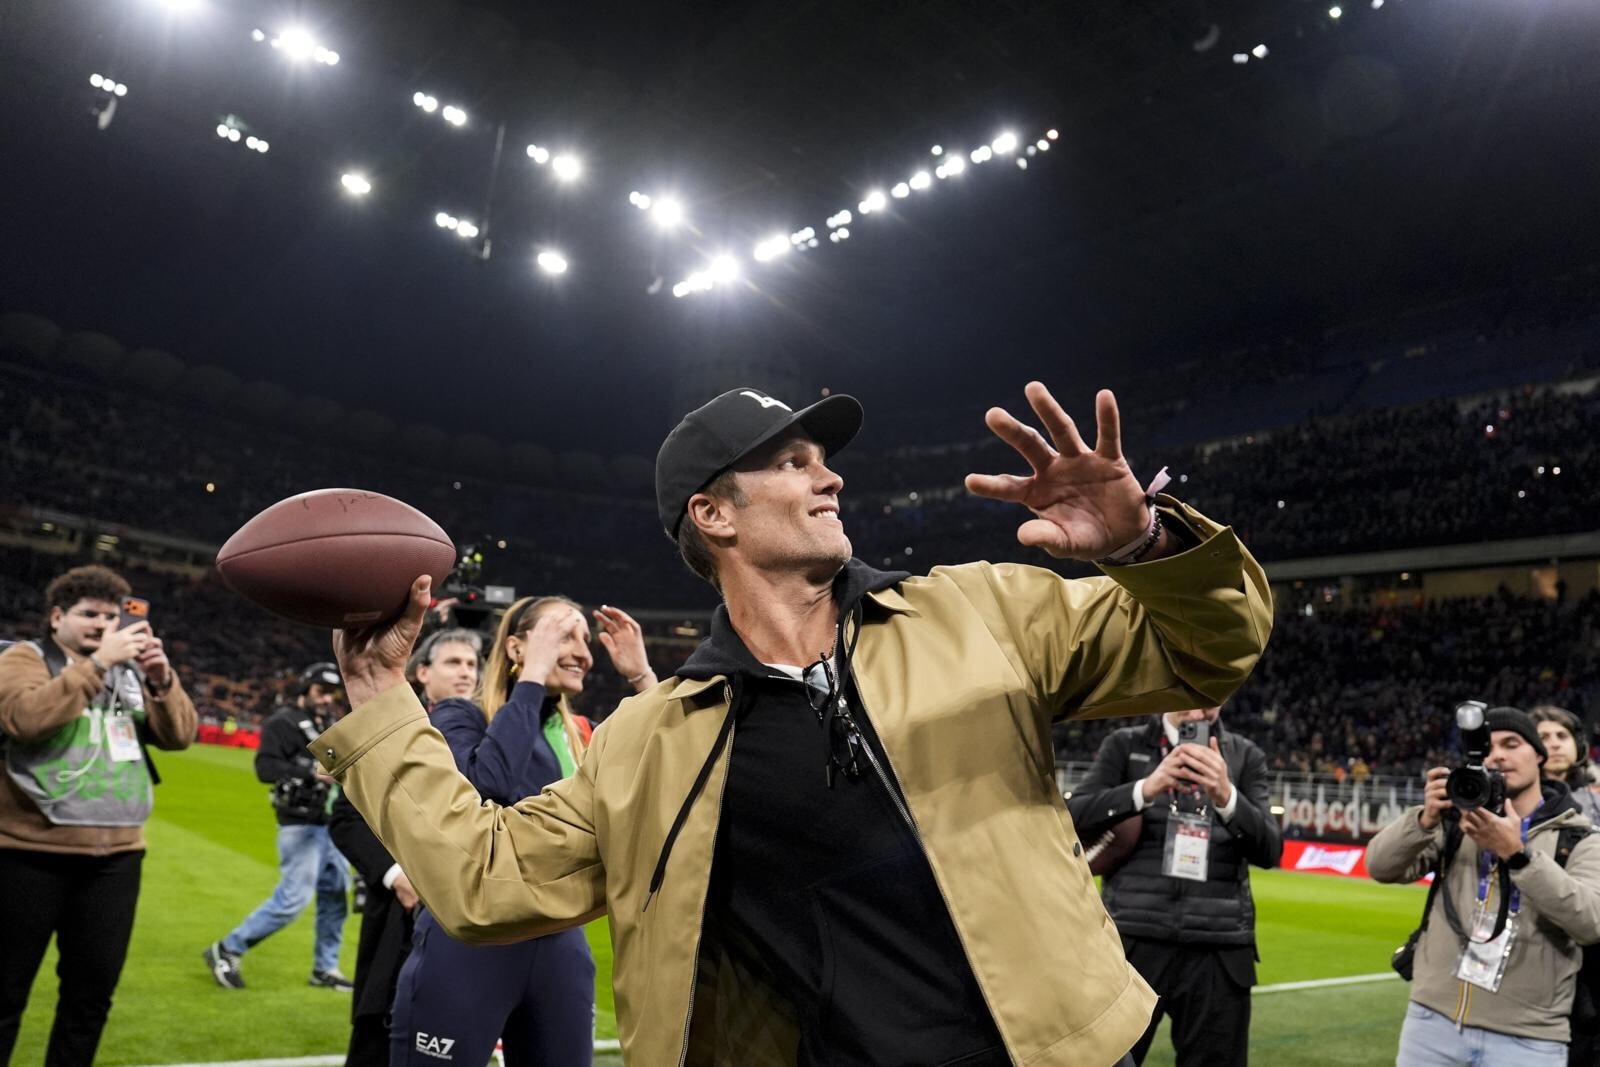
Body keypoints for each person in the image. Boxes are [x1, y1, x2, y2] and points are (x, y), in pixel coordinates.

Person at [318, 383, 1273, 1066]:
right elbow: (483, 880)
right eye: (792, 462)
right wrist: (377, 691)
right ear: (713, 514)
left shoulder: (976, 610)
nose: (831, 480)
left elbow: (1204, 654)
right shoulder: (653, 740)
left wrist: (1145, 545)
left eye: (825, 461)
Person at [389, 599, 654, 1067]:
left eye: (585, 640)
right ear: (515, 647)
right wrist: (531, 675)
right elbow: (486, 785)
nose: (582, 652)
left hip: (561, 941)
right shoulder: (460, 715)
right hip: (471, 938)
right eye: (563, 635)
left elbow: (665, 772)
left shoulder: (581, 734)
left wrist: (642, 679)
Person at [0, 564, 198, 1065]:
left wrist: (162, 679)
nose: (102, 625)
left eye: (111, 617)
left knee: (90, 999)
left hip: (117, 856)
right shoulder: (24, 658)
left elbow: (180, 736)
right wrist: (98, 663)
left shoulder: (130, 672)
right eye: (89, 614)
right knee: (4, 992)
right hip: (29, 851)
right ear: (57, 617)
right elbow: (25, 720)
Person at [1367, 706, 1600, 1066]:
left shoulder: (1579, 836)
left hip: (1528, 1038)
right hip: (1431, 1022)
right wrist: (1424, 819)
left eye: (1512, 744)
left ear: (1539, 755)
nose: (1498, 756)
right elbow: (1380, 867)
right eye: (1488, 748)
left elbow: (1590, 922)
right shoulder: (1454, 824)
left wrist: (1518, 856)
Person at [1066, 704, 1281, 1066]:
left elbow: (1270, 851)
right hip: (1134, 941)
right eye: (1189, 696)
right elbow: (1072, 816)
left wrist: (1227, 796)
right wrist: (1144, 789)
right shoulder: (1125, 745)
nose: (1199, 710)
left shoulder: (1244, 755)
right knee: (1104, 1060)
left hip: (1219, 947)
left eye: (1211, 698)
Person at [328, 630, 482, 1067]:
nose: (465, 673)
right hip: (400, 916)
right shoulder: (388, 728)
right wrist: (397, 875)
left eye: (471, 664)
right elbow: (346, 820)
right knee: (378, 1036)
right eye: (453, 662)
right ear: (423, 672)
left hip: (469, 916)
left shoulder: (489, 735)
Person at [204, 662, 353, 991]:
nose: (327, 699)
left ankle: (325, 968)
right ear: (305, 689)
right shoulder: (282, 723)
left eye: (332, 694)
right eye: (321, 691)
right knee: (293, 900)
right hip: (300, 824)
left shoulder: (326, 723)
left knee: (336, 898)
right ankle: (227, 948)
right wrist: (311, 772)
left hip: (330, 823)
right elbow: (265, 768)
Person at [1533, 705, 1600, 822]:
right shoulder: (1517, 800)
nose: (1555, 744)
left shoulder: (1595, 798)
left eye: (1562, 736)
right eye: (1543, 738)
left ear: (1579, 746)